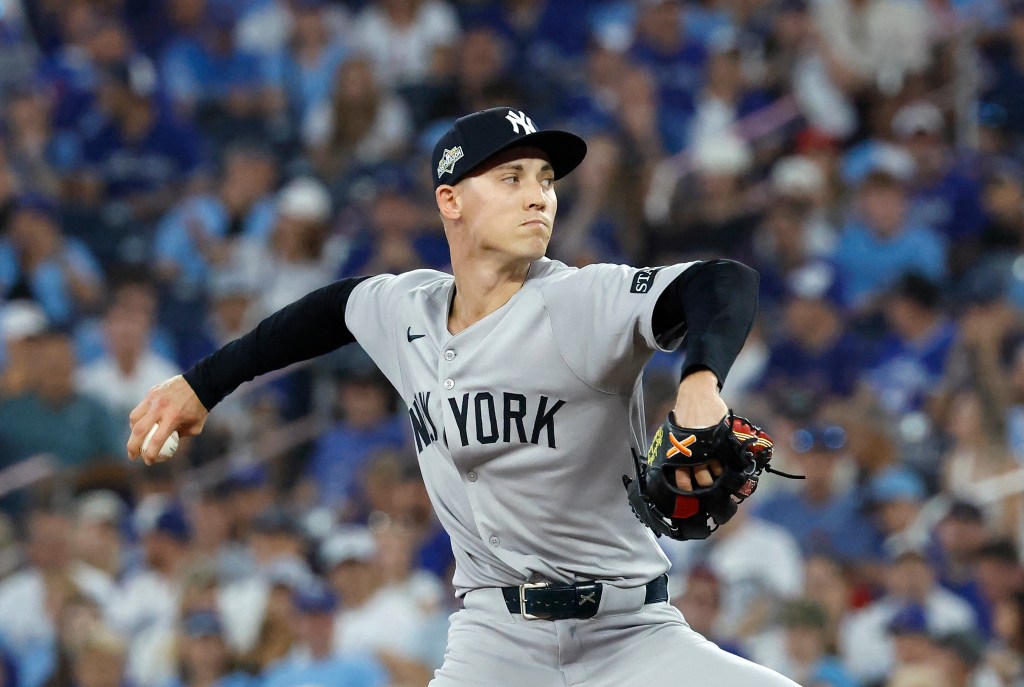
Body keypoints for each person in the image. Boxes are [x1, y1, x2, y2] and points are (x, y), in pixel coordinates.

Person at [127, 106, 800, 686]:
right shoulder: (408, 310)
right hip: (494, 643)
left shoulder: (577, 301)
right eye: (511, 178)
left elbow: (721, 282)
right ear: (450, 201)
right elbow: (330, 310)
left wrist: (700, 381)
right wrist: (201, 384)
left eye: (545, 179)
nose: (538, 197)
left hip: (631, 636)